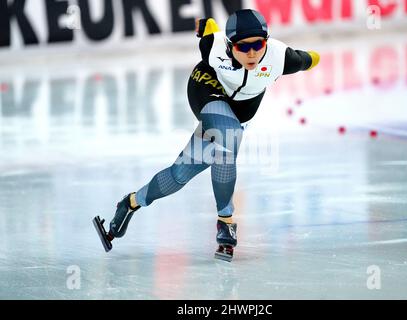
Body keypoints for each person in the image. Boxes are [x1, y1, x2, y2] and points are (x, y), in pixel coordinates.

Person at [93, 9, 320, 261]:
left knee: (180, 174)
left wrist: (313, 56)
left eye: (259, 44)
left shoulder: (281, 57)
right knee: (229, 138)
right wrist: (207, 26)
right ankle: (226, 220)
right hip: (206, 88)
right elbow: (208, 31)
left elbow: (310, 58)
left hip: (237, 113)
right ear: (230, 45)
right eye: (243, 47)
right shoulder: (213, 48)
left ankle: (130, 203)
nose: (252, 53)